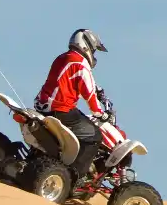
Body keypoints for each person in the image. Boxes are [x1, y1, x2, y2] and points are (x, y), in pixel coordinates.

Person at [33, 28, 113, 187]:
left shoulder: (63, 58)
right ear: (86, 46)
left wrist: (97, 89)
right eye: (94, 50)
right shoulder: (81, 64)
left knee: (81, 121)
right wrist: (100, 113)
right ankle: (75, 178)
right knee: (95, 136)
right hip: (60, 109)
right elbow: (89, 95)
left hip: (42, 106)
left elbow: (68, 79)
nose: (94, 55)